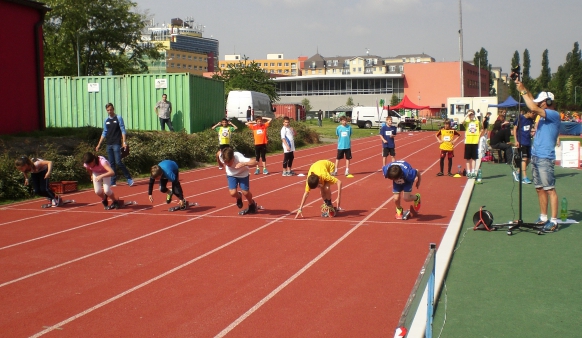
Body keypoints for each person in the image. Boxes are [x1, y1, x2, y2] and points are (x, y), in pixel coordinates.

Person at [516, 80, 561, 231]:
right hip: (536, 155)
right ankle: (543, 217)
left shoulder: (553, 114)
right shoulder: (543, 114)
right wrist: (522, 86)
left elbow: (532, 106)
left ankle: (553, 221)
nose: (540, 105)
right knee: (539, 188)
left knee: (550, 189)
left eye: (542, 102)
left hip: (545, 157)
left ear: (549, 102)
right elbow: (533, 101)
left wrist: (522, 92)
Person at [95, 103, 134, 187]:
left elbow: (123, 130)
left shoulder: (118, 118)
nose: (110, 111)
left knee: (118, 162)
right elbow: (104, 132)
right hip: (109, 144)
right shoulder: (106, 120)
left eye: (111, 109)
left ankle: (129, 178)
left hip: (116, 143)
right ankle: (113, 181)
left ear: (113, 109)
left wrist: (124, 142)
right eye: (108, 110)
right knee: (111, 163)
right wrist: (99, 144)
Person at [219, 147, 259, 213]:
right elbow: (218, 154)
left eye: (229, 162)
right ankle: (239, 196)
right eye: (225, 162)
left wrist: (244, 164)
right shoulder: (222, 157)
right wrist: (220, 164)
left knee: (245, 192)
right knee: (233, 193)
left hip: (243, 174)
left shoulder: (239, 158)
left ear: (233, 158)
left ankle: (251, 204)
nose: (227, 164)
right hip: (231, 174)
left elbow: (255, 162)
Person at [512, 110, 536, 184]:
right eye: (533, 113)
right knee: (524, 158)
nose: (534, 115)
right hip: (521, 141)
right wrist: (516, 140)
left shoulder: (531, 120)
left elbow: (530, 129)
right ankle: (524, 177)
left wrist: (532, 132)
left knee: (528, 159)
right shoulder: (520, 118)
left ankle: (518, 172)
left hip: (528, 141)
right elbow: (515, 129)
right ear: (528, 112)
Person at [462, 109, 484, 178]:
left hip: (475, 142)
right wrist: (467, 115)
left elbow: (481, 128)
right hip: (468, 141)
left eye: (472, 114)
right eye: (470, 114)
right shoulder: (467, 122)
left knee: (474, 158)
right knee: (468, 158)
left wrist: (476, 116)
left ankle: (473, 172)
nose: (471, 115)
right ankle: (468, 172)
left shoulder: (476, 122)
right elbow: (462, 122)